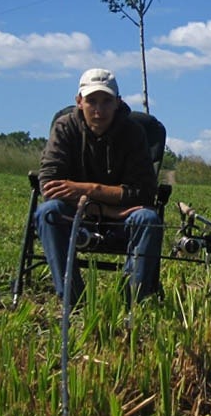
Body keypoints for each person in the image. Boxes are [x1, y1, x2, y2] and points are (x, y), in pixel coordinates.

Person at [36, 68, 163, 304]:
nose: (99, 109)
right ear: (79, 101)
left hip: (122, 221)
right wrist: (109, 207)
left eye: (106, 101)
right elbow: (50, 187)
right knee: (48, 212)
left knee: (148, 219)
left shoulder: (134, 133)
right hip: (77, 217)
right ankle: (73, 300)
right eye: (91, 101)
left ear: (117, 103)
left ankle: (132, 303)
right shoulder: (65, 127)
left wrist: (85, 189)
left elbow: (144, 192)